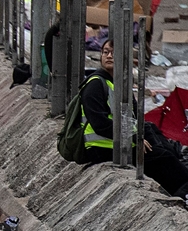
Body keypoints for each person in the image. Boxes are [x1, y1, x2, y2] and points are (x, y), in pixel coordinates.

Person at [78, 38, 188, 197]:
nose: (108, 56)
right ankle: (183, 193)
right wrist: (134, 137)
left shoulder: (120, 85)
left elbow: (137, 118)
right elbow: (99, 124)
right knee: (162, 159)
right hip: (102, 148)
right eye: (105, 52)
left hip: (118, 142)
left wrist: (146, 135)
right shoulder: (95, 84)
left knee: (160, 143)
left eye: (113, 53)